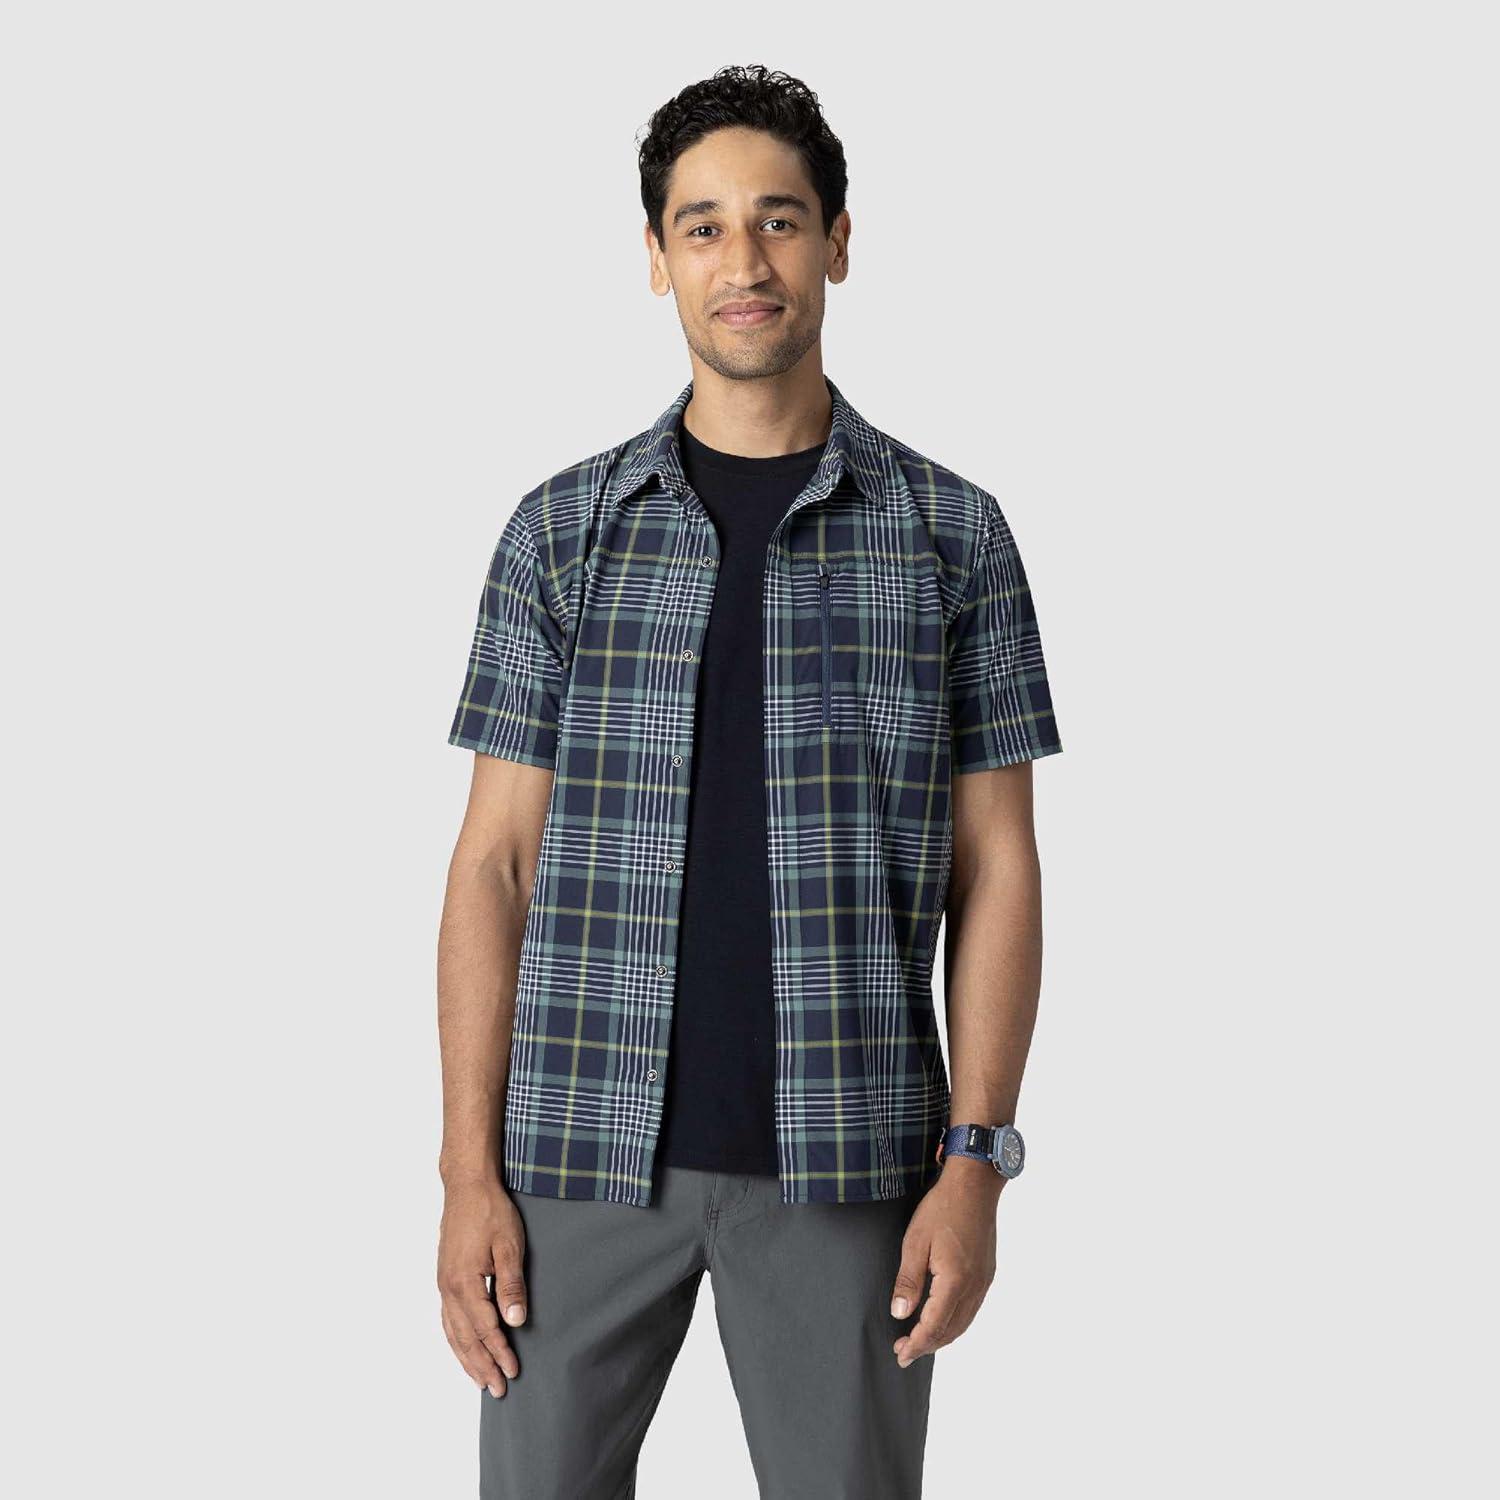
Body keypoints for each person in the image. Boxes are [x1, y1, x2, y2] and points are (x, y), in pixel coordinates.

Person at [436, 63, 1063, 1499]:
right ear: (658, 260)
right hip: (572, 1158)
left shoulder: (953, 536)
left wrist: (977, 1162)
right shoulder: (561, 533)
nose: (745, 262)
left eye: (778, 220)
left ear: (837, 241)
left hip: (851, 1166)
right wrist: (468, 1172)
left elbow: (1000, 869)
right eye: (704, 226)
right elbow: (493, 865)